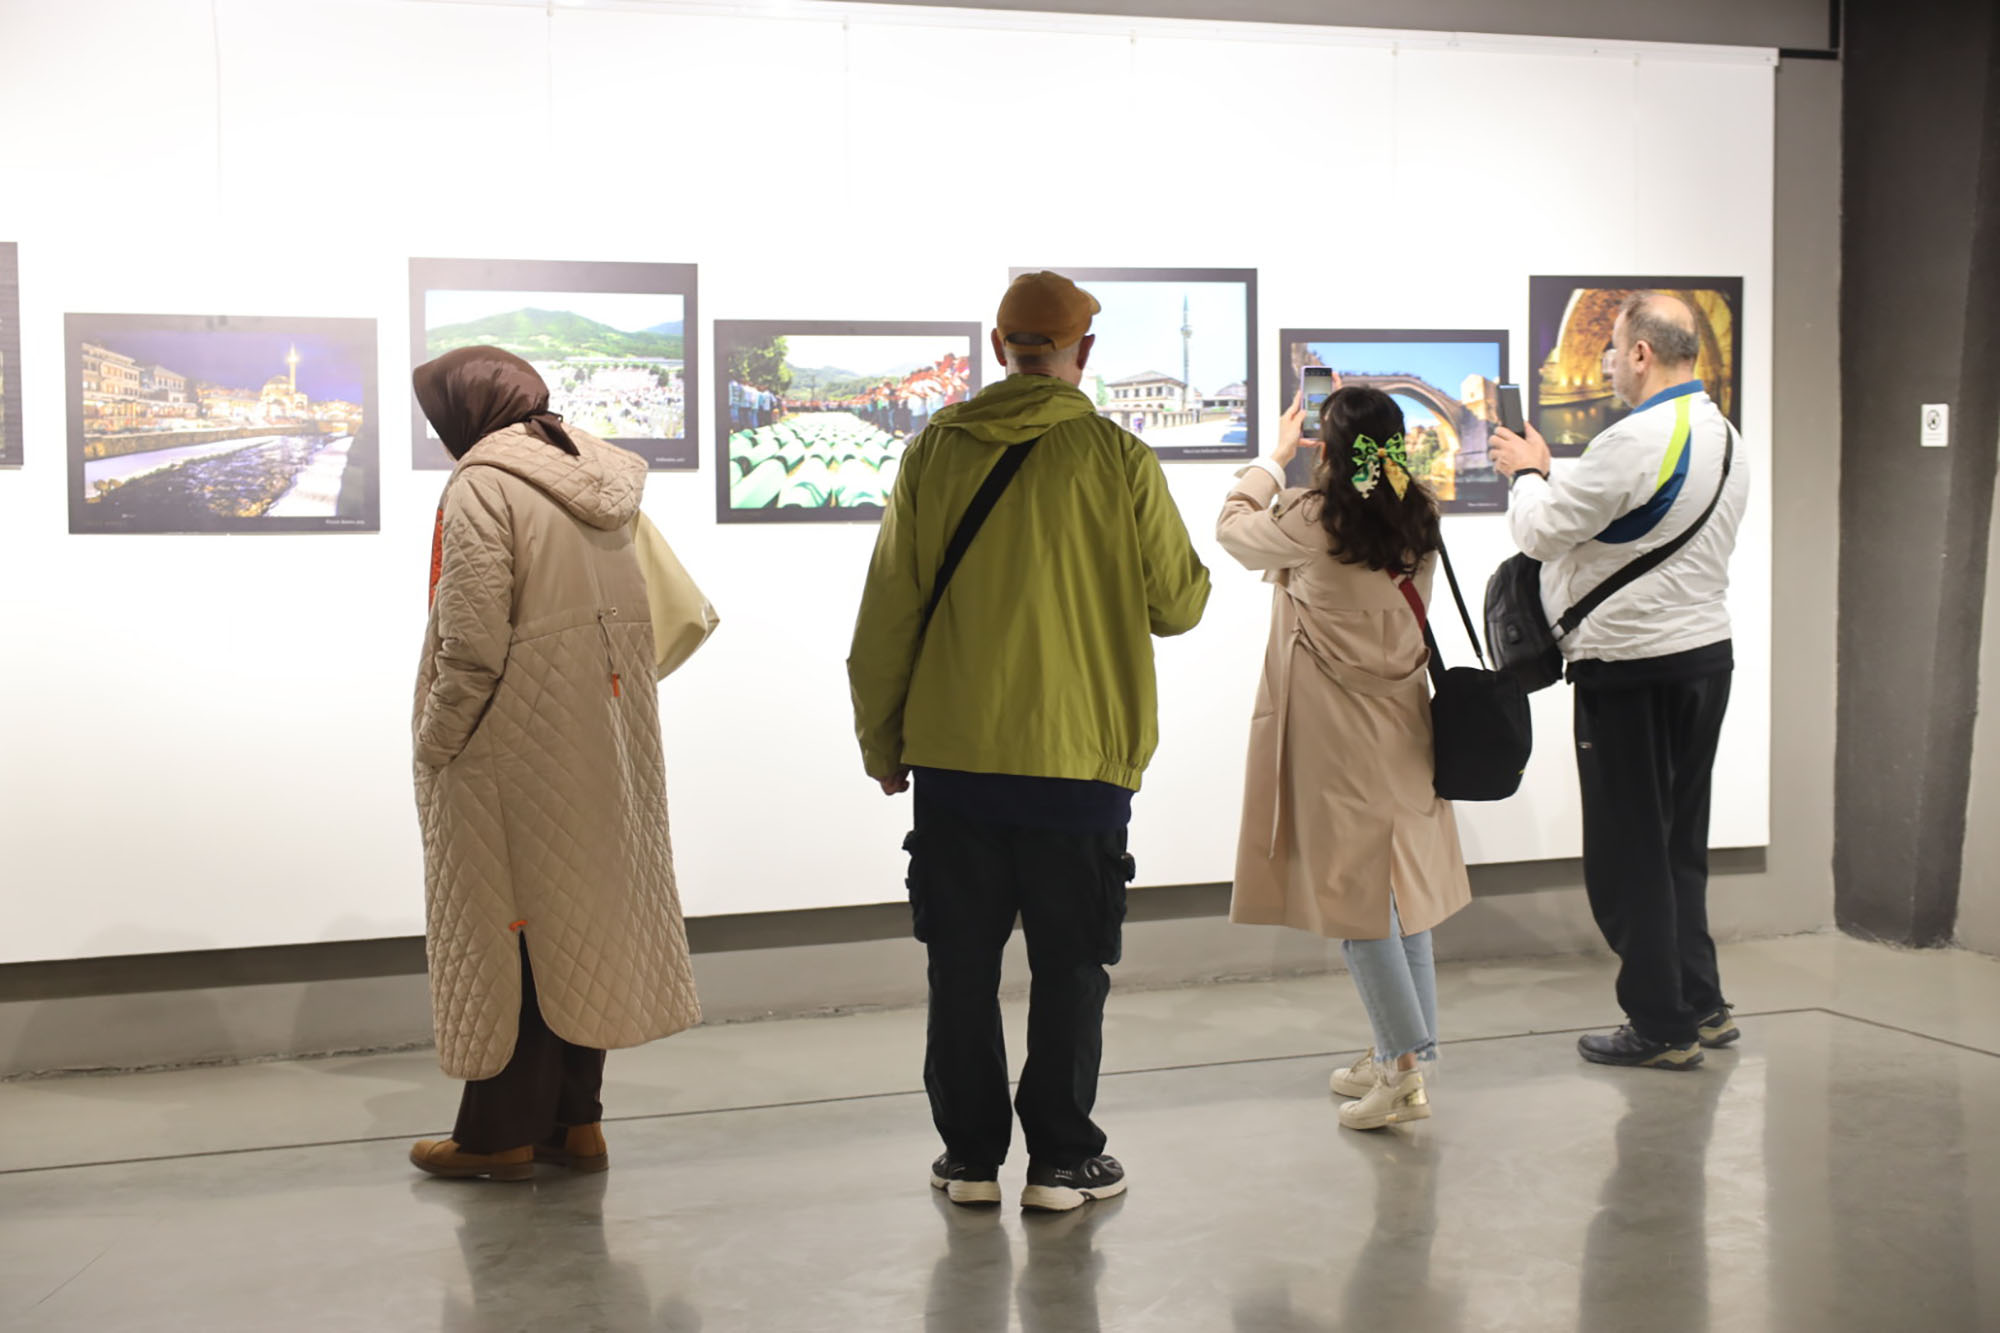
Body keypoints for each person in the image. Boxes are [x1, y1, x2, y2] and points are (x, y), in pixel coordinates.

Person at [847, 271, 1211, 1212]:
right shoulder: (1119, 458)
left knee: (958, 964)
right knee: (1071, 964)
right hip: (1079, 761)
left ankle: (968, 1157)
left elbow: (888, 610)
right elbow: (1179, 605)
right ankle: (1061, 1157)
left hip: (957, 760)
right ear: (1081, 353)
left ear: (1002, 345)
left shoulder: (935, 450)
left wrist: (881, 737)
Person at [406, 345, 701, 1180]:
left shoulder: (481, 484)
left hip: (508, 738)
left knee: (512, 930)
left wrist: (436, 739)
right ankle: (578, 1122)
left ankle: (496, 1135)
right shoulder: (597, 479)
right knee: (577, 918)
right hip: (601, 732)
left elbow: (471, 641)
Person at [1490, 292, 1751, 1071]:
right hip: (1706, 660)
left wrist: (1528, 473)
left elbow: (1541, 529)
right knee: (1678, 845)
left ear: (1642, 354)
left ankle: (1661, 1025)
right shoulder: (1724, 435)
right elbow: (1637, 519)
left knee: (1627, 852)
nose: (1603, 362)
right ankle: (1702, 1003)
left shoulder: (1635, 438)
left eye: (1613, 348)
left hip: (1631, 671)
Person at [1218, 385, 1473, 1131]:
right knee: (1407, 893)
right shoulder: (1418, 515)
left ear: (1326, 448)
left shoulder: (1312, 518)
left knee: (1358, 903)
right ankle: (1405, 1050)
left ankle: (1400, 1074)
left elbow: (1232, 529)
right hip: (1405, 724)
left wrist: (1271, 458)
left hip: (1336, 738)